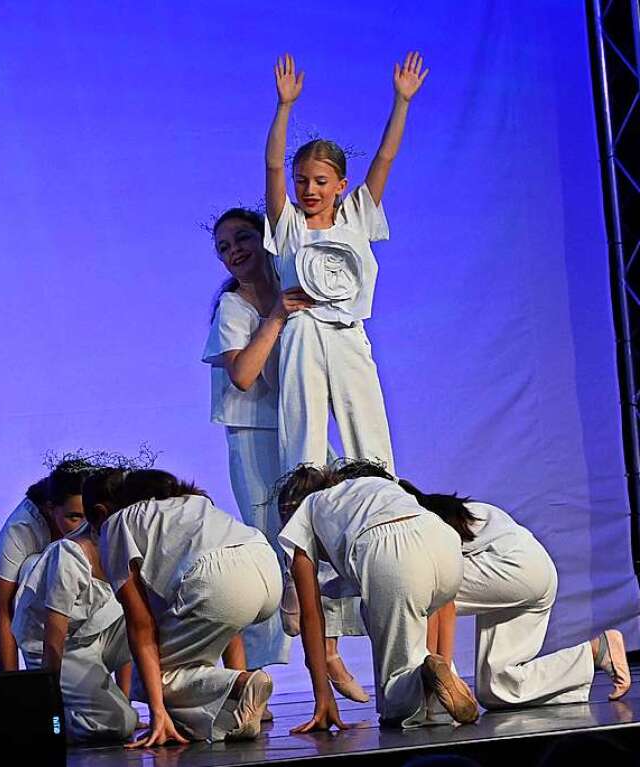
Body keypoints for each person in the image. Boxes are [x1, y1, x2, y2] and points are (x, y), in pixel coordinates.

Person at [203, 207, 367, 702]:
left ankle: (331, 653)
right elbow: (244, 375)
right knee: (272, 547)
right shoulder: (233, 307)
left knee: (329, 532)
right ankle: (256, 678)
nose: (234, 252)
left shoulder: (293, 280)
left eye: (243, 238)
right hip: (256, 436)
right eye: (224, 247)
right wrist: (275, 317)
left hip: (306, 426)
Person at [263, 52, 429, 474]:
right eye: (302, 181)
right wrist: (284, 108)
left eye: (320, 181)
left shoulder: (357, 214)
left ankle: (384, 516)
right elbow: (271, 166)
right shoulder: (288, 225)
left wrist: (403, 102)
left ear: (341, 185)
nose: (309, 189)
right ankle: (300, 530)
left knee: (369, 436)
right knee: (304, 440)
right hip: (302, 332)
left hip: (348, 334)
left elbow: (385, 158)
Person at [396, 477, 632, 707]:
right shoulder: (459, 511)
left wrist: (442, 679)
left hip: (517, 570)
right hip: (535, 573)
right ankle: (597, 650)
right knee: (497, 688)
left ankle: (438, 696)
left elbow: (443, 599)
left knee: (426, 585)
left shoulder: (431, 526)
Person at [276, 464, 477, 731]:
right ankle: (438, 688)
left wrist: (323, 697)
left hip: (392, 555)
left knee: (393, 704)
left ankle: (422, 677)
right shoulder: (368, 488)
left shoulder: (306, 511)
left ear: (289, 512)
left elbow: (311, 615)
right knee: (374, 610)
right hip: (443, 544)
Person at [96, 469, 282, 746]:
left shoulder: (117, 523)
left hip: (218, 581)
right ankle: (240, 702)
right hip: (265, 564)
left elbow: (140, 626)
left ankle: (240, 686)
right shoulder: (195, 506)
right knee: (191, 658)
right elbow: (232, 630)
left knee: (151, 678)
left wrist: (156, 710)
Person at [12, 472, 137, 742]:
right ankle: (36, 721)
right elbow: (53, 637)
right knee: (121, 723)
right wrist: (50, 705)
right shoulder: (70, 555)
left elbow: (136, 619)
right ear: (103, 514)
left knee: (161, 614)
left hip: (93, 636)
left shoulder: (123, 544)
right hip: (60, 647)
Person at [0, 462, 88, 671]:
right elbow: (3, 614)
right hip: (39, 634)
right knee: (36, 565)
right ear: (51, 508)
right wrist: (12, 688)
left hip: (86, 630)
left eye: (88, 515)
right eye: (74, 517)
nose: (84, 527)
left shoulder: (98, 524)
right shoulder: (20, 529)